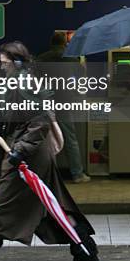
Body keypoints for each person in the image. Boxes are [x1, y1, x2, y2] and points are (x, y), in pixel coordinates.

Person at [0, 41, 102, 261]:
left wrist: (19, 150)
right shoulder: (23, 79)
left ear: (17, 62)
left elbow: (40, 118)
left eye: (4, 64)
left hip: (27, 156)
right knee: (54, 208)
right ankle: (87, 256)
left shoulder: (24, 81)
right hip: (35, 154)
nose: (2, 68)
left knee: (1, 203)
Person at [37, 31, 90, 183]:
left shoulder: (41, 59)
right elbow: (81, 78)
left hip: (45, 103)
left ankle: (43, 175)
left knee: (44, 139)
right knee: (70, 139)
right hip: (65, 102)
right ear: (65, 43)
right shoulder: (72, 60)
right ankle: (77, 174)